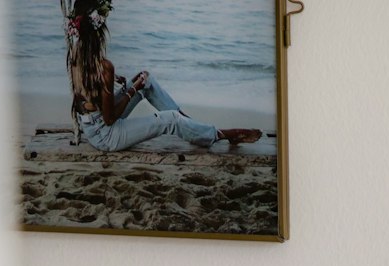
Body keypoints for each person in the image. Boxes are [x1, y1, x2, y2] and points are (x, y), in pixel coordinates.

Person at [65, 0, 261, 153]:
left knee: (147, 80)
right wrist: (134, 89)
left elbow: (84, 90)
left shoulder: (76, 52)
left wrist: (121, 82)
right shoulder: (103, 67)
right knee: (170, 120)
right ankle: (222, 134)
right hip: (106, 136)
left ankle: (193, 128)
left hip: (93, 125)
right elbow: (110, 119)